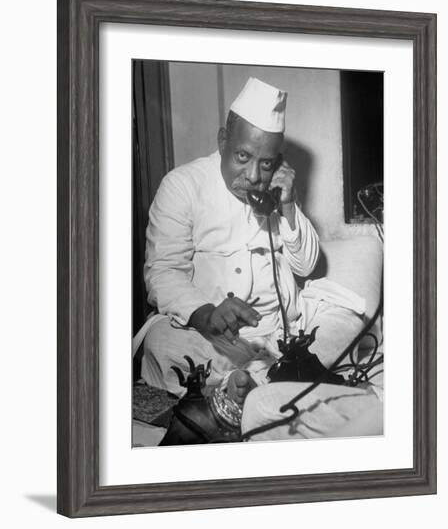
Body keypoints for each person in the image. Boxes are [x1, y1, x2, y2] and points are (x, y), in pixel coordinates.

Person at [134, 77, 383, 439]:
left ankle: (249, 388)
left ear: (278, 163)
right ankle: (263, 385)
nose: (252, 176)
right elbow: (163, 272)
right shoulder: (182, 185)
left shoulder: (273, 193)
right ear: (222, 141)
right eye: (242, 157)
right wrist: (207, 314)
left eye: (265, 164)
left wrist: (288, 205)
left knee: (348, 319)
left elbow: (308, 266)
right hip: (213, 336)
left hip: (286, 334)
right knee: (163, 343)